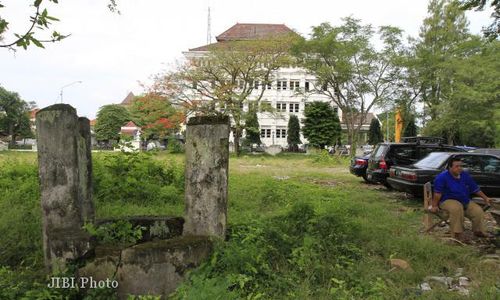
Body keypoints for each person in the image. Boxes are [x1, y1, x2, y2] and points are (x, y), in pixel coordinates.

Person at [429, 157, 493, 241]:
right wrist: (434, 206)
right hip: (446, 200)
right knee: (457, 208)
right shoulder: (442, 177)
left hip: (464, 200)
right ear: (450, 167)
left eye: (461, 166)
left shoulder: (464, 175)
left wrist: (485, 198)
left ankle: (478, 231)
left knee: (478, 210)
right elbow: (437, 194)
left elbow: (475, 188)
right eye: (457, 166)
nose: (459, 168)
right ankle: (457, 234)